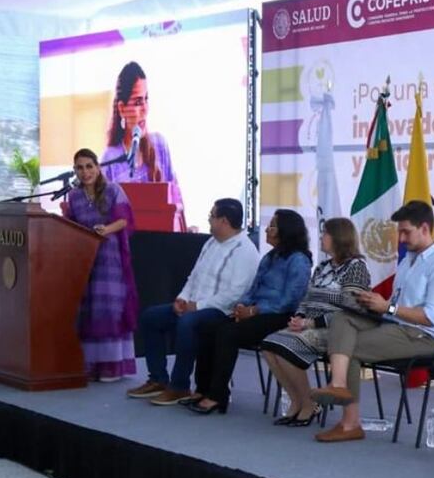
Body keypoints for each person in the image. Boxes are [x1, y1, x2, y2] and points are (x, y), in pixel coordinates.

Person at [311, 200, 434, 443]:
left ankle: (350, 423)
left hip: (420, 336)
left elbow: (431, 317)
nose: (401, 238)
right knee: (343, 318)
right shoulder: (408, 261)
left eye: (405, 232)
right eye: (399, 232)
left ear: (424, 228)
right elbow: (396, 303)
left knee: (348, 350)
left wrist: (388, 306)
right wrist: (375, 303)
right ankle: (338, 385)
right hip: (394, 326)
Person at [127, 198, 258, 405]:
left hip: (221, 312)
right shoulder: (211, 242)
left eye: (212, 216)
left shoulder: (246, 250)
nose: (209, 219)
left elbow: (235, 293)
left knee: (187, 323)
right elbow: (194, 276)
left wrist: (197, 306)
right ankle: (158, 379)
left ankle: (180, 386)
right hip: (193, 305)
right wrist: (182, 298)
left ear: (224, 221)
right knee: (151, 317)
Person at [187, 209, 313, 415]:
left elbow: (290, 300)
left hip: (280, 316)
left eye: (272, 226)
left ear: (286, 231)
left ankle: (218, 396)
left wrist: (254, 310)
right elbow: (253, 289)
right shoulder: (270, 257)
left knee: (228, 334)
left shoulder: (298, 260)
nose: (267, 230)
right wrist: (242, 306)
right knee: (209, 326)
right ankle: (203, 388)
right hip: (257, 312)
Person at [259, 217, 371, 426]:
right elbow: (306, 298)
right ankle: (297, 400)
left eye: (325, 234)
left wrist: (311, 323)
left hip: (336, 331)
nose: (321, 237)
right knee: (268, 345)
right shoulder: (323, 267)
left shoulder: (356, 267)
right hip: (307, 324)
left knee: (285, 347)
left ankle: (309, 404)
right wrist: (299, 317)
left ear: (338, 237)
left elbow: (351, 310)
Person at [60, 148, 139, 381]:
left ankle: (112, 367)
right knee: (89, 308)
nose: (85, 172)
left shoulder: (114, 190)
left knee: (109, 307)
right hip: (85, 257)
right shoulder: (73, 196)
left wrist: (106, 230)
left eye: (89, 166)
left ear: (97, 167)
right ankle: (91, 364)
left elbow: (125, 220)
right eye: (80, 168)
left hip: (109, 256)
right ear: (75, 171)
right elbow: (70, 225)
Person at [100, 61, 184, 230]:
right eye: (138, 102)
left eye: (146, 99)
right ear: (122, 109)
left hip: (162, 241)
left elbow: (177, 200)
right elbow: (104, 213)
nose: (145, 108)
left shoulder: (160, 144)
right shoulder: (110, 159)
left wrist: (185, 229)